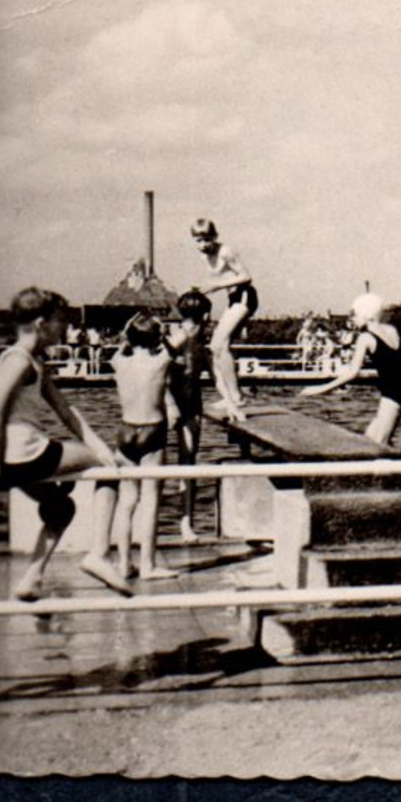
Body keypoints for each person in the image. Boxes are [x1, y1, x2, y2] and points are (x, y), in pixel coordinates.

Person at [0, 288, 131, 599]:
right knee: (107, 468)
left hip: (13, 458)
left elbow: (67, 412)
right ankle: (98, 554)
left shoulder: (31, 362)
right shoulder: (16, 362)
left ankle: (32, 578)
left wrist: (99, 445)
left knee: (61, 508)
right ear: (41, 323)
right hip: (24, 454)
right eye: (60, 321)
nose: (65, 329)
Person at [100, 313, 178, 582]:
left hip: (125, 431)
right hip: (152, 430)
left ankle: (123, 563)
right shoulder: (161, 360)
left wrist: (128, 331)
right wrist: (161, 331)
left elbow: (124, 342)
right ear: (156, 338)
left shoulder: (118, 361)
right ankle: (148, 565)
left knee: (127, 502)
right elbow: (174, 341)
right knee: (151, 501)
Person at [300, 293, 401, 447]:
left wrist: (319, 389)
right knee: (370, 439)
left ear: (366, 315)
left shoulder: (365, 338)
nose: (352, 319)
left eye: (354, 315)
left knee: (378, 445)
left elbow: (352, 372)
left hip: (395, 392)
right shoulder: (392, 329)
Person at [190, 218, 256, 421]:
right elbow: (223, 278)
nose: (202, 245)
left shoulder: (225, 251)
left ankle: (236, 397)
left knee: (219, 344)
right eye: (198, 241)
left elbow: (246, 276)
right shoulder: (205, 256)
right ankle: (233, 394)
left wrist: (216, 286)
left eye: (206, 240)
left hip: (245, 296)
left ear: (215, 237)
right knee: (216, 348)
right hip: (233, 299)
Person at [167, 290, 212, 543]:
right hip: (170, 405)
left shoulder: (201, 341)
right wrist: (169, 403)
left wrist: (230, 401)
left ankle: (186, 524)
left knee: (188, 463)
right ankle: (179, 524)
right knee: (162, 465)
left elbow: (213, 372)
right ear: (206, 316)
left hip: (191, 405)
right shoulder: (177, 338)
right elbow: (156, 370)